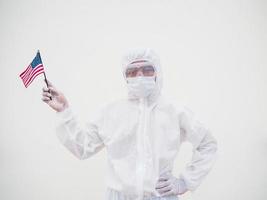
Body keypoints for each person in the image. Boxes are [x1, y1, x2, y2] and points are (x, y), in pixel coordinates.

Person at [42, 48, 218, 200]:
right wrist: (64, 111)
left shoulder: (175, 112)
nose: (139, 75)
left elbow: (207, 144)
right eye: (132, 71)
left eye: (147, 69)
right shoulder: (110, 112)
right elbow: (82, 147)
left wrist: (185, 182)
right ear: (124, 76)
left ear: (158, 72)